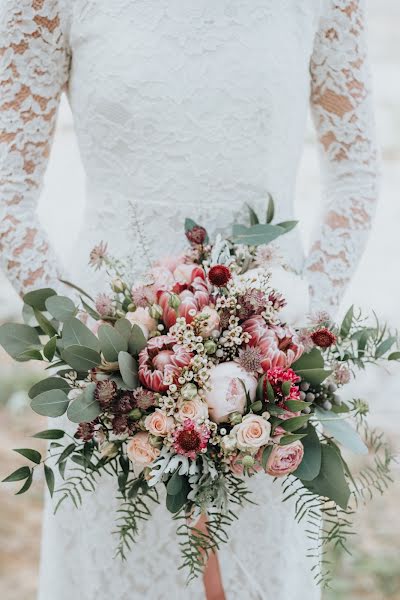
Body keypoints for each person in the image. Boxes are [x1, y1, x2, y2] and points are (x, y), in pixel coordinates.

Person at [0, 1, 379, 599]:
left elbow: (356, 172)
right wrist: (85, 344)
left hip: (271, 365)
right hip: (109, 373)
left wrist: (298, 327)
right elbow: (7, 190)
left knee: (258, 574)